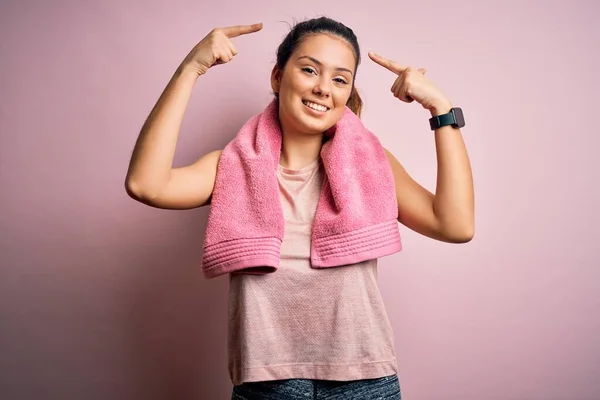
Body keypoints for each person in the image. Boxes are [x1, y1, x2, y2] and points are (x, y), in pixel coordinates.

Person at [125, 16, 474, 400]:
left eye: (340, 79)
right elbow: (146, 185)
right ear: (278, 77)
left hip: (366, 382)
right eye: (309, 70)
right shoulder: (231, 166)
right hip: (267, 384)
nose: (324, 88)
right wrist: (190, 69)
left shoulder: (373, 165)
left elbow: (455, 225)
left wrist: (439, 108)